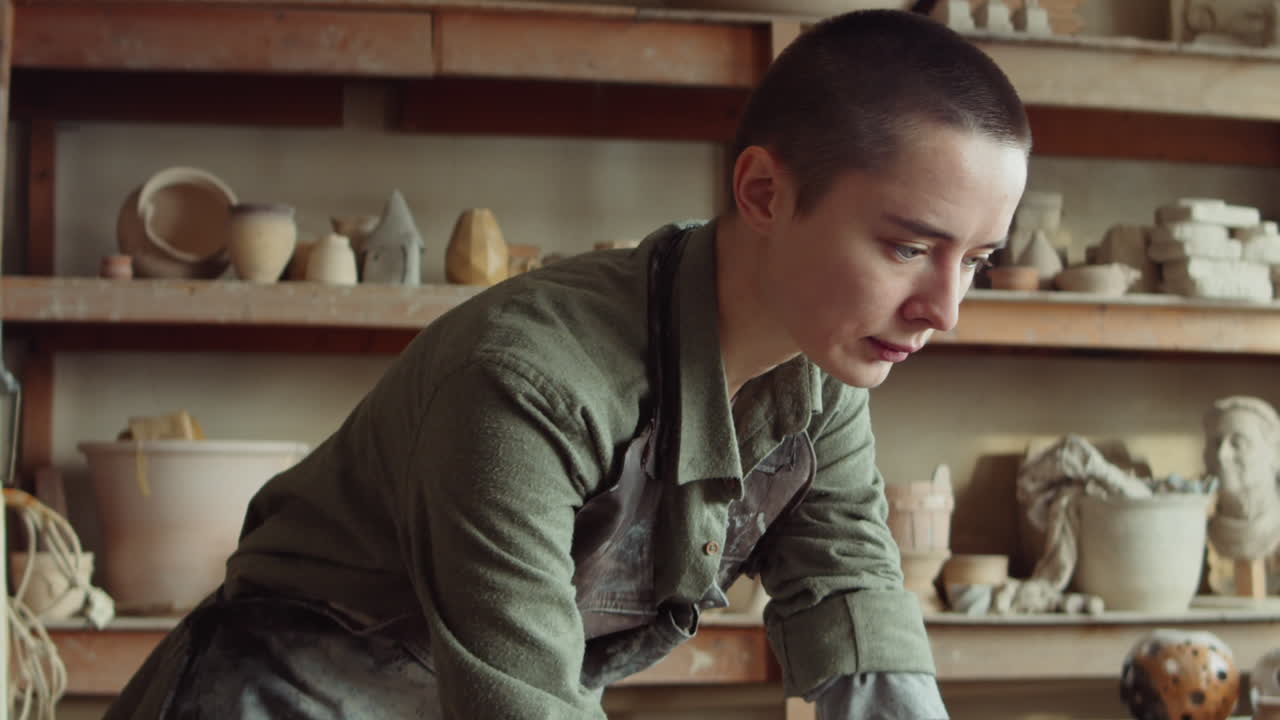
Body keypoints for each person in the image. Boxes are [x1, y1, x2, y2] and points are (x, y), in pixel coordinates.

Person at [106, 9, 1029, 719]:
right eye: (910, 248)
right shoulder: (526, 385)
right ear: (763, 193)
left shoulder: (821, 379)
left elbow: (851, 603)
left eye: (977, 260)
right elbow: (522, 698)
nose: (945, 310)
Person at [1204, 396, 1280, 592]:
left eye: (1238, 444)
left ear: (1276, 454)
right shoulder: (1199, 528)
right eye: (1216, 443)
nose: (1222, 455)